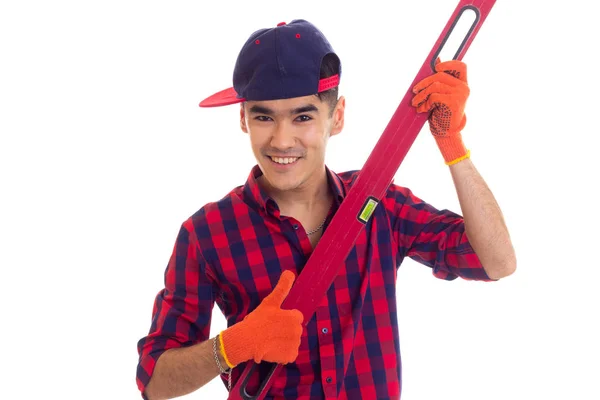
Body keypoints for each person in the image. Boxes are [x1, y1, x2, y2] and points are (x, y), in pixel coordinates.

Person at [136, 19, 516, 400]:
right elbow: (155, 384)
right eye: (264, 116)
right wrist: (233, 345)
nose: (282, 140)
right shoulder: (207, 234)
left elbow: (496, 262)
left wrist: (452, 143)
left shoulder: (381, 204)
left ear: (337, 117)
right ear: (242, 119)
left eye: (303, 116)